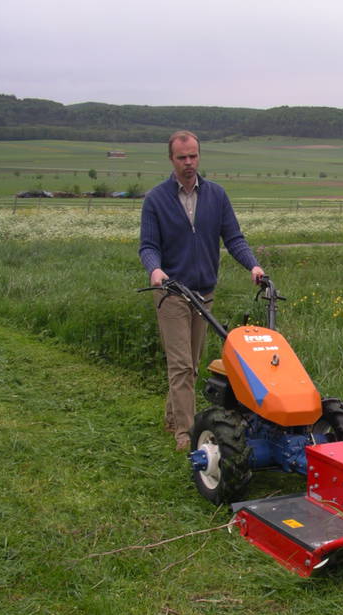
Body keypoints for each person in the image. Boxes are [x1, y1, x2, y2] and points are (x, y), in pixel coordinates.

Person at [139, 130, 264, 452]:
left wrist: (252, 265)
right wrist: (155, 270)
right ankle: (185, 432)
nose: (189, 162)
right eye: (182, 157)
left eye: (193, 156)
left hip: (204, 293)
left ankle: (171, 417)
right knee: (180, 365)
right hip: (171, 291)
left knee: (192, 364)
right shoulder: (156, 199)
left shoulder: (216, 196)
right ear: (171, 160)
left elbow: (233, 238)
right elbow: (149, 246)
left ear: (199, 156)